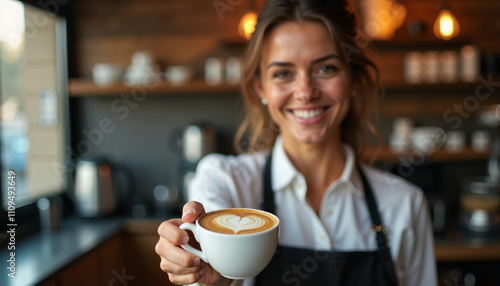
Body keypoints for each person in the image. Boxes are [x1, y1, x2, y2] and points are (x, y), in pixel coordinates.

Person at [155, 0, 437, 285]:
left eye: (325, 68)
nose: (305, 92)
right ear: (261, 87)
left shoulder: (404, 205)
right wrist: (206, 273)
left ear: (354, 79)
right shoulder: (225, 181)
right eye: (283, 73)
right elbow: (203, 262)